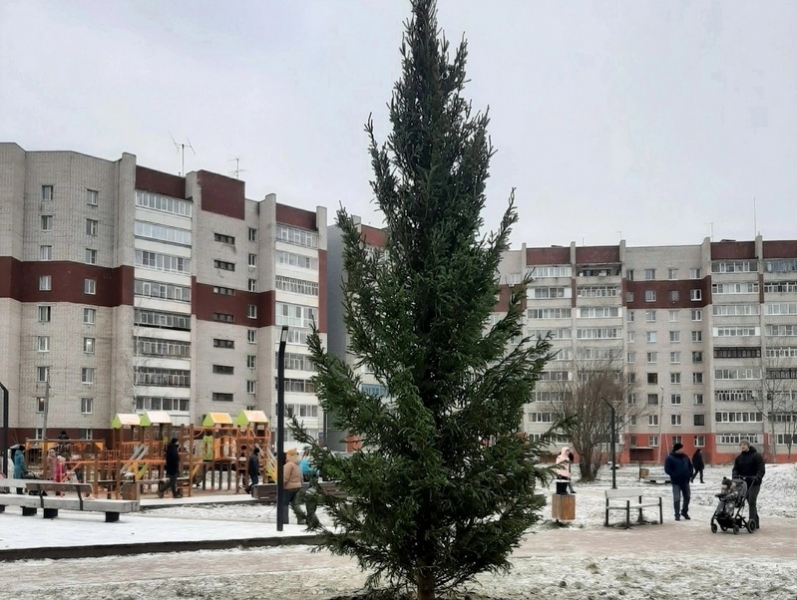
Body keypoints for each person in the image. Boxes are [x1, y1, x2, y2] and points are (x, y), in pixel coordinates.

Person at [732, 439, 765, 529]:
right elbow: (735, 469)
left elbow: (761, 469)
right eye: (741, 445)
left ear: (748, 446)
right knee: (749, 502)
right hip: (744, 483)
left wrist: (758, 477)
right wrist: (735, 476)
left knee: (751, 500)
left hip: (754, 482)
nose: (742, 446)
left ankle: (751, 520)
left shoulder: (756, 456)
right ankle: (755, 521)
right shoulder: (739, 458)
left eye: (744, 444)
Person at [664, 442, 692, 521]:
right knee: (677, 498)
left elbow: (690, 466)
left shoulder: (685, 457)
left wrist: (690, 474)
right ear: (677, 450)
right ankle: (677, 514)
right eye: (681, 448)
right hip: (676, 481)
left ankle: (684, 511)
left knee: (687, 497)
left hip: (685, 481)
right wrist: (674, 475)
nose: (683, 450)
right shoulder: (670, 458)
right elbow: (667, 469)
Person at [282, 448, 304, 524]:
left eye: (287, 455)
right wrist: (301, 485)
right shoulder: (298, 465)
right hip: (297, 486)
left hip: (288, 488)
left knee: (284, 504)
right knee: (295, 504)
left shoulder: (288, 465)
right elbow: (301, 477)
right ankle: (301, 519)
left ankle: (284, 521)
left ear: (289, 455)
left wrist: (281, 486)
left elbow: (285, 478)